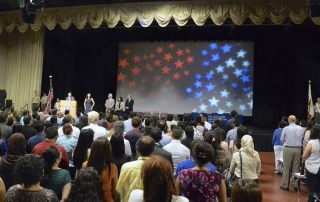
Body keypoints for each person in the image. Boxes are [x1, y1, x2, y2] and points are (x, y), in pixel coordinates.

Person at [116, 136, 155, 202]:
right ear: (153, 152)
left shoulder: (126, 167)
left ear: (137, 150)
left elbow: (119, 189)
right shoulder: (158, 168)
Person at [82, 137, 118, 202]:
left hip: (90, 199)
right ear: (108, 151)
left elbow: (82, 186)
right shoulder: (112, 168)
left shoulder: (85, 165)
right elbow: (115, 190)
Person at [280, 115, 304, 192]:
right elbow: (302, 138)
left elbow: (282, 139)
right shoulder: (300, 128)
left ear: (289, 121)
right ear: (295, 120)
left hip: (288, 148)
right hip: (297, 149)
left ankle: (285, 185)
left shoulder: (286, 128)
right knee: (296, 168)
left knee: (286, 167)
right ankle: (296, 186)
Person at [302, 124, 320, 202]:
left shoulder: (312, 142)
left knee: (311, 189)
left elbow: (304, 156)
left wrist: (304, 160)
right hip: (319, 169)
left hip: (311, 168)